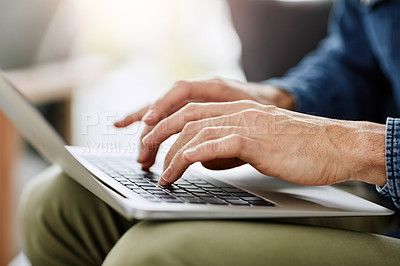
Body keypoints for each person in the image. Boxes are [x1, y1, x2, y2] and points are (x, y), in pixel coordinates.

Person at [21, 0, 400, 265]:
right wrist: (281, 98)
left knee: (156, 255)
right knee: (57, 202)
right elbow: (356, 56)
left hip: (378, 173)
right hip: (377, 190)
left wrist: (365, 149)